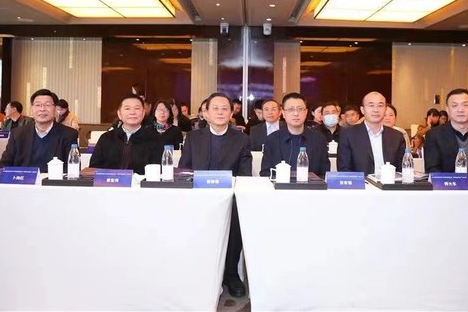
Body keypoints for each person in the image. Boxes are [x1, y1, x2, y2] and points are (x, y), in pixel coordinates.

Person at [179, 92, 252, 298]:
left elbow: (245, 173)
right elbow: (184, 169)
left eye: (224, 109)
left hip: (230, 196)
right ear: (206, 113)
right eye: (215, 108)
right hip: (200, 196)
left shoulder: (242, 139)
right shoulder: (193, 137)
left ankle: (231, 274)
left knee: (237, 217)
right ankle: (201, 271)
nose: (220, 112)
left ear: (231, 113)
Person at [0, 89, 78, 173]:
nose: (42, 109)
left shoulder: (69, 135)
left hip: (53, 180)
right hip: (23, 180)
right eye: (38, 105)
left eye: (47, 105)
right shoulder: (17, 134)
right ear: (32, 108)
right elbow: (3, 166)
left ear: (55, 109)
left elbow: (73, 169)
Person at [261, 92, 330, 177]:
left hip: (310, 185)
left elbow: (325, 174)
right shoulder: (272, 140)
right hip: (279, 185)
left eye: (300, 109)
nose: (296, 114)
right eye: (291, 109)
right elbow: (265, 173)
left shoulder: (319, 140)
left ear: (306, 112)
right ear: (283, 113)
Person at [90, 94, 162, 174]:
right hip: (109, 181)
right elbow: (93, 167)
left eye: (137, 108)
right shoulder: (106, 138)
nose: (132, 112)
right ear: (119, 114)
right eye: (127, 108)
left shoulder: (154, 139)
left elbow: (159, 169)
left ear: (143, 113)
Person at [337, 92, 406, 175]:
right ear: (362, 110)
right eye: (371, 105)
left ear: (385, 109)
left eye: (380, 106)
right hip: (361, 183)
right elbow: (344, 169)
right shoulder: (348, 135)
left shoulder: (397, 136)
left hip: (390, 182)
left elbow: (402, 170)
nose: (375, 110)